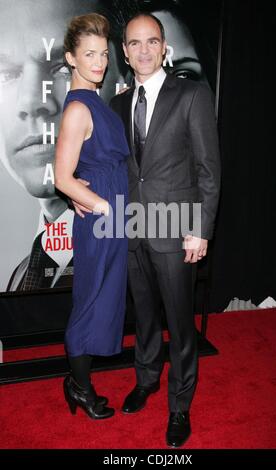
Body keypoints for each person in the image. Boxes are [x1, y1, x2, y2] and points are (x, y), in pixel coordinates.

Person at [110, 13, 221, 446]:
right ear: (125, 50)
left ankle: (180, 404)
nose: (143, 50)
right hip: (133, 226)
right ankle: (147, 378)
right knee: (145, 316)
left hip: (177, 229)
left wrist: (201, 229)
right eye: (134, 43)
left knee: (180, 321)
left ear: (163, 47)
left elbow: (209, 169)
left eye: (151, 42)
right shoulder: (118, 104)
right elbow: (121, 170)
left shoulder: (191, 94)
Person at [0, 0, 126, 292]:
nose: (31, 102)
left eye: (64, 67)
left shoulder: (133, 254)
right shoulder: (22, 272)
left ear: (124, 81)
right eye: (5, 74)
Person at [54, 13, 129, 419]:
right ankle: (79, 386)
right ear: (71, 58)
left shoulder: (95, 101)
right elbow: (64, 178)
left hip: (113, 216)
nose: (99, 63)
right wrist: (103, 206)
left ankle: (78, 381)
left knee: (103, 299)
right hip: (103, 219)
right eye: (89, 54)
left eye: (102, 53)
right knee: (88, 301)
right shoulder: (79, 109)